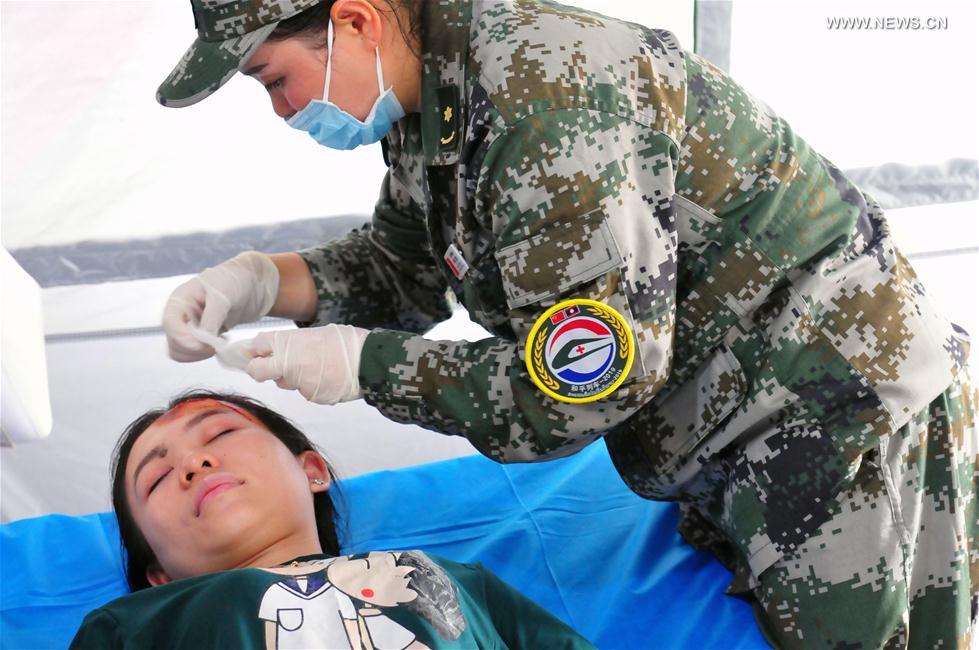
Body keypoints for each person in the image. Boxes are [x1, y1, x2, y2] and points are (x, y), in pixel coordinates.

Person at [157, 0, 978, 646]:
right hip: (732, 422)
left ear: (355, 21)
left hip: (829, 408)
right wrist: (260, 282)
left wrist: (362, 366)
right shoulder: (427, 97)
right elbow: (400, 266)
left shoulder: (545, 99)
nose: (282, 110)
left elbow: (580, 384)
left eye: (273, 79)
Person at [70, 390, 595, 649]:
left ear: (312, 471)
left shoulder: (451, 579)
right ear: (157, 574)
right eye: (157, 478)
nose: (194, 463)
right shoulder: (129, 627)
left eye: (221, 434)